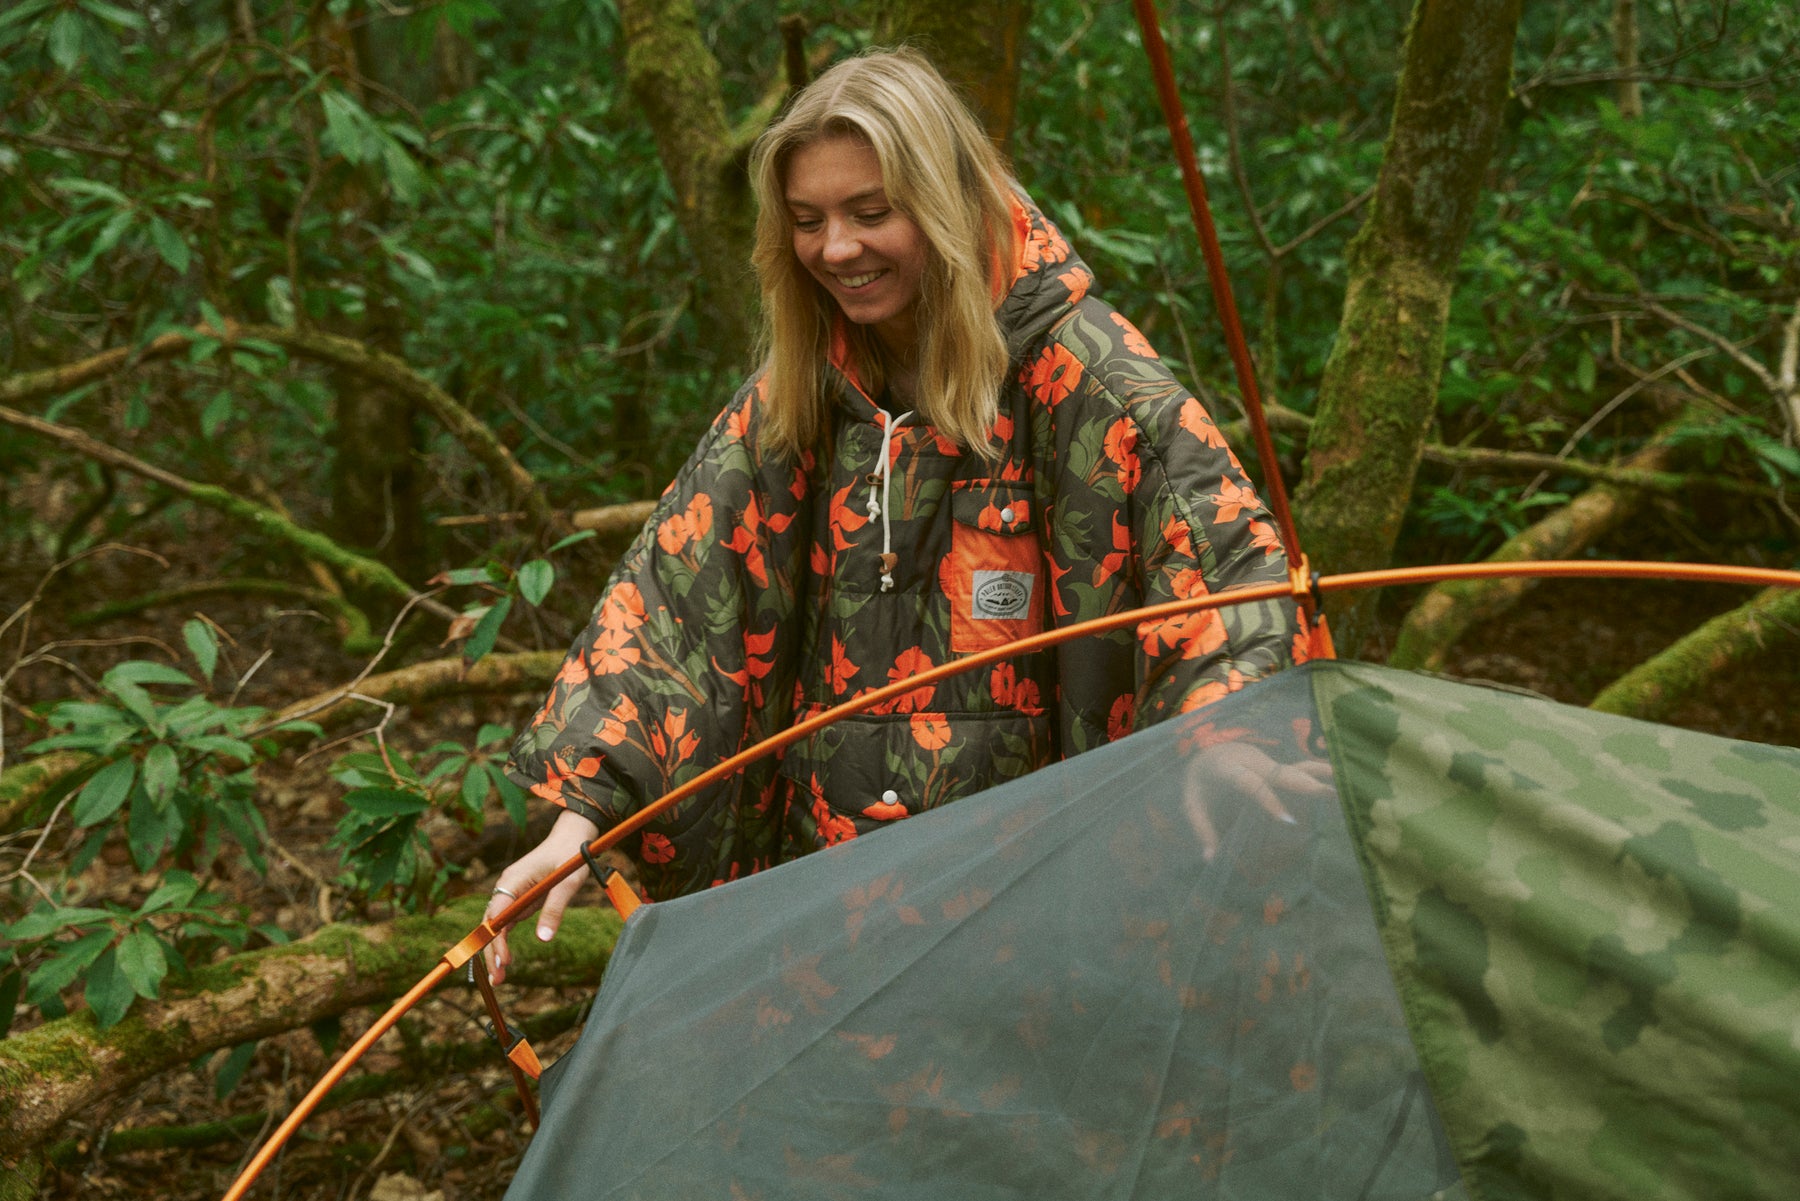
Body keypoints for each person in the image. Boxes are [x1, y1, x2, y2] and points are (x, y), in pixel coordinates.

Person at [483, 48, 1303, 984]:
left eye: (872, 213)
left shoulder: (1083, 377)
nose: (836, 248)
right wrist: (584, 810)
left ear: (947, 201)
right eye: (808, 221)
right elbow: (679, 596)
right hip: (833, 930)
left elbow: (1223, 566)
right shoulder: (801, 389)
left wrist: (1230, 732)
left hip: (1034, 933)